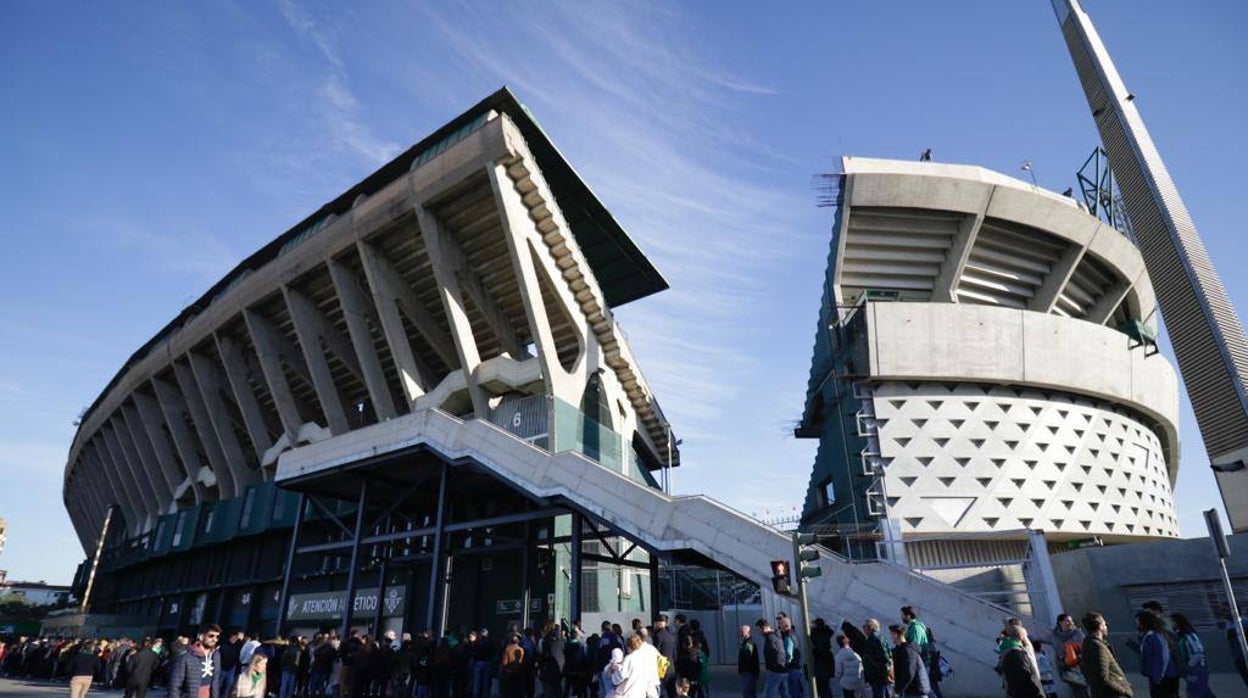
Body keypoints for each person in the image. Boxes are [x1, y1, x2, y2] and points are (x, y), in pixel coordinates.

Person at [1078, 612, 1132, 698]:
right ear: (1100, 626)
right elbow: (1102, 678)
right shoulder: (1097, 647)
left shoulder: (1090, 643)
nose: (1106, 626)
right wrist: (1124, 691)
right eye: (1104, 624)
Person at [168, 624, 224, 698]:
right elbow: (174, 685)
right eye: (211, 636)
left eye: (217, 637)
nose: (215, 639)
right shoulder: (186, 657)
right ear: (201, 637)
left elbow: (216, 681)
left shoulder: (216, 655)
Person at [1169, 613, 1214, 698]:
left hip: (1198, 669)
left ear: (1178, 622)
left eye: (1172, 621)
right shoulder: (1178, 635)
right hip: (1190, 669)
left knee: (1195, 693)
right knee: (1204, 692)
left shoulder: (1189, 635)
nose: (1171, 624)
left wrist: (1190, 667)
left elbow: (1199, 652)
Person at [1136, 611, 1178, 698]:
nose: (1138, 625)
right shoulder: (1147, 636)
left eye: (1139, 622)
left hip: (1164, 678)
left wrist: (1158, 676)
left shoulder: (1155, 636)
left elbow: (1163, 656)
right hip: (1156, 677)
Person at [999, 626, 1043, 698]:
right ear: (1021, 637)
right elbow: (1025, 678)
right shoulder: (1018, 654)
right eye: (1025, 637)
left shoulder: (1006, 652)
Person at [887, 625, 928, 698]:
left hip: (916, 691)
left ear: (896, 634)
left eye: (892, 634)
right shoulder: (901, 649)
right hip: (911, 690)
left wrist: (897, 691)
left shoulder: (908, 651)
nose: (891, 637)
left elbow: (909, 673)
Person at [616, 634, 660, 698]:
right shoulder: (648, 652)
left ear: (629, 646)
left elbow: (622, 676)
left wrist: (614, 674)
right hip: (645, 689)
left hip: (630, 692)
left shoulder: (629, 658)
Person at [860, 620, 891, 698]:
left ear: (871, 628)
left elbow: (885, 658)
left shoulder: (875, 639)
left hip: (878, 678)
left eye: (864, 627)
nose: (863, 629)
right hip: (877, 677)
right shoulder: (875, 638)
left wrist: (884, 675)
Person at [758, 619, 787, 698]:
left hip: (775, 670)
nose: (759, 632)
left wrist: (771, 667)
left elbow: (775, 654)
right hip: (781, 668)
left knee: (769, 693)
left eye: (759, 629)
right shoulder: (776, 635)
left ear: (763, 628)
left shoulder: (770, 638)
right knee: (784, 692)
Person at [737, 625, 759, 698]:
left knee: (747, 692)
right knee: (751, 692)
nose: (740, 633)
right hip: (750, 671)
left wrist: (742, 669)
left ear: (747, 632)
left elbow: (747, 657)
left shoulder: (749, 643)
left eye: (742, 631)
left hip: (748, 671)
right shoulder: (746, 642)